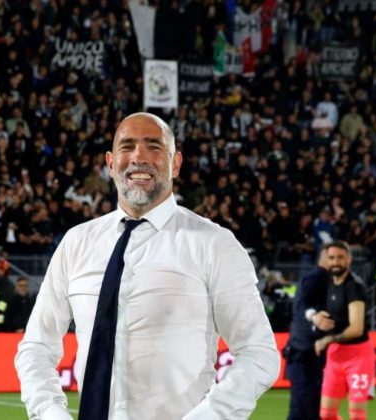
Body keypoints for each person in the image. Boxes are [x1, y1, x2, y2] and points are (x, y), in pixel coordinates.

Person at [15, 113, 279, 419]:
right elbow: (36, 347)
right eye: (127, 147)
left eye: (153, 146)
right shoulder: (76, 243)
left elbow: (258, 353)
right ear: (110, 163)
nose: (138, 157)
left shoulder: (214, 244)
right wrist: (51, 413)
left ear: (175, 164)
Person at [315, 241, 375, 420]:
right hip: (335, 356)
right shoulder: (328, 284)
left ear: (348, 259)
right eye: (332, 258)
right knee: (326, 414)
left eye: (340, 257)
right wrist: (317, 317)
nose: (335, 262)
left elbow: (356, 329)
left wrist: (327, 340)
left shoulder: (354, 286)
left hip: (358, 357)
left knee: (356, 415)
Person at [284, 251, 332, 420]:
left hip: (303, 349)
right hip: (304, 350)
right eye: (332, 257)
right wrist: (314, 316)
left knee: (307, 403)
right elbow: (303, 305)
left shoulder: (320, 278)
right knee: (304, 404)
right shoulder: (317, 278)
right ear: (323, 258)